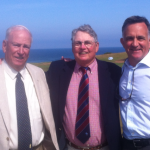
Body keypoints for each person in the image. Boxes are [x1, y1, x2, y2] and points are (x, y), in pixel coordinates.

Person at [46, 25, 122, 150]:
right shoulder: (58, 70)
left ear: (96, 46)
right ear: (72, 47)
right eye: (78, 43)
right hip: (70, 147)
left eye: (87, 43)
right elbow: (34, 79)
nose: (82, 47)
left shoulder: (113, 72)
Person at [0, 25, 59, 150]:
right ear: (4, 46)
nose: (21, 51)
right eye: (16, 45)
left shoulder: (38, 74)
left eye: (26, 46)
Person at [119, 16, 150, 150]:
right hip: (126, 144)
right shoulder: (121, 70)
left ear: (149, 40)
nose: (135, 43)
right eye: (130, 38)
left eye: (140, 38)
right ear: (122, 42)